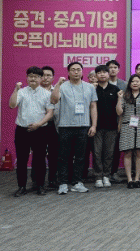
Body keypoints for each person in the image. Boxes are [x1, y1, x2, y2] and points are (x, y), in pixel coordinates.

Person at [51, 62, 98, 195]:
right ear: (68, 72)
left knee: (80, 157)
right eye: (73, 70)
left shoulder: (89, 87)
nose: (76, 72)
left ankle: (77, 182)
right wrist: (58, 85)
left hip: (83, 126)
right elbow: (54, 100)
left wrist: (93, 125)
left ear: (82, 72)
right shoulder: (62, 86)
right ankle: (63, 183)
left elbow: (93, 106)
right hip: (65, 126)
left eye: (78, 69)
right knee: (63, 156)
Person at [9, 66, 55, 196]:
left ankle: (40, 186)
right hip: (22, 130)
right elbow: (12, 105)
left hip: (40, 130)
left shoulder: (47, 94)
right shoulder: (21, 92)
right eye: (30, 76)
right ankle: (21, 186)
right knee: (22, 159)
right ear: (27, 78)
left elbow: (50, 113)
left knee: (40, 159)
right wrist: (16, 90)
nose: (33, 79)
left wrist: (39, 124)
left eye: (36, 76)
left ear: (41, 78)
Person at [116, 74, 140, 188]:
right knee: (128, 153)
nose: (135, 83)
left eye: (137, 81)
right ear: (129, 83)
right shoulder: (125, 95)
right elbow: (119, 112)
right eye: (133, 81)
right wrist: (119, 98)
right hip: (127, 126)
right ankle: (129, 180)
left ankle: (137, 179)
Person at [93, 65, 120, 188]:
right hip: (96, 127)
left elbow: (119, 109)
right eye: (99, 73)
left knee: (109, 153)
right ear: (96, 75)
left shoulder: (115, 89)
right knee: (97, 153)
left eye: (105, 72)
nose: (102, 74)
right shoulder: (92, 89)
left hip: (111, 126)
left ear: (109, 74)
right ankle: (98, 177)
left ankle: (106, 176)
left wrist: (119, 124)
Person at [40, 65, 60, 190]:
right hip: (39, 125)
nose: (46, 78)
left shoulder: (57, 90)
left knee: (54, 154)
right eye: (43, 75)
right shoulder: (35, 91)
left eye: (48, 75)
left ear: (53, 78)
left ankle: (53, 179)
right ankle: (38, 181)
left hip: (53, 125)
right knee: (39, 154)